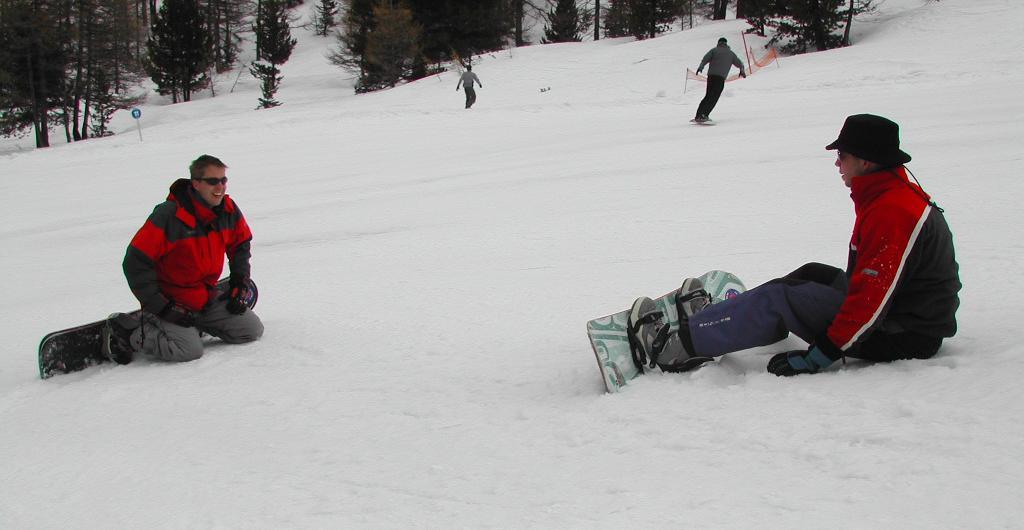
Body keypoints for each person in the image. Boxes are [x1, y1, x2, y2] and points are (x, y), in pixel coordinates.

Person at [628, 114, 961, 376]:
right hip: (902, 315)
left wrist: (821, 355)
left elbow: (871, 302)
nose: (837, 163)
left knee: (780, 298)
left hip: (901, 334)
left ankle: (674, 349)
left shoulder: (892, 212)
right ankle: (713, 322)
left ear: (866, 161)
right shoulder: (890, 194)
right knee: (812, 274)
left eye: (842, 155)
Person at [102, 154, 264, 364]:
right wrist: (161, 306)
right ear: (196, 183)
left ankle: (194, 325)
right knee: (188, 351)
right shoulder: (169, 216)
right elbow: (135, 263)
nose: (220, 187)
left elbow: (240, 244)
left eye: (223, 180)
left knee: (251, 330)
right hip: (170, 300)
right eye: (212, 181)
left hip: (204, 296)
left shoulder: (228, 209)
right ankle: (129, 332)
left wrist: (239, 282)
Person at [693, 37, 746, 123]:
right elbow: (740, 63)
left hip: (711, 76)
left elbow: (705, 59)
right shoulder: (731, 54)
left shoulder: (714, 50)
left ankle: (698, 115)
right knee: (714, 97)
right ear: (726, 43)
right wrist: (742, 71)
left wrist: (701, 67)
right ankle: (704, 115)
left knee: (708, 95)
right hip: (720, 78)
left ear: (718, 43)